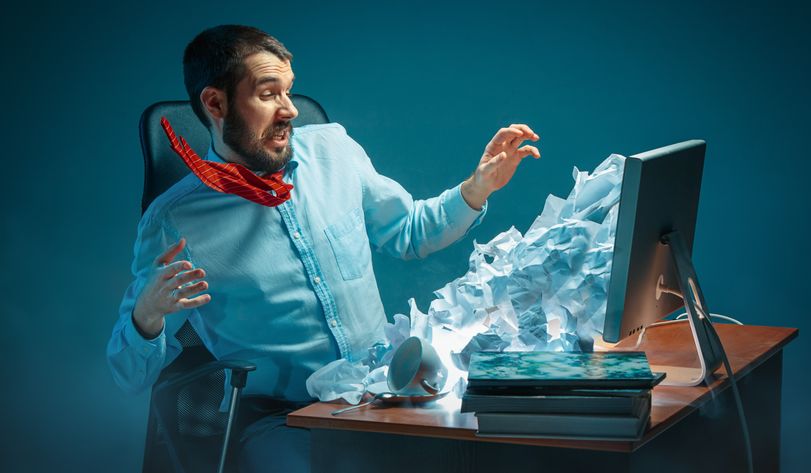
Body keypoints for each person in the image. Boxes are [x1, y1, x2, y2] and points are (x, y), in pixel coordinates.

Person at [107, 24, 540, 473]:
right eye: (268, 94)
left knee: (506, 450)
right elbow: (128, 375)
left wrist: (478, 186)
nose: (290, 110)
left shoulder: (334, 150)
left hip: (383, 396)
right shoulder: (173, 222)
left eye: (288, 91)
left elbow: (410, 232)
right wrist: (147, 315)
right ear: (216, 104)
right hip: (285, 419)